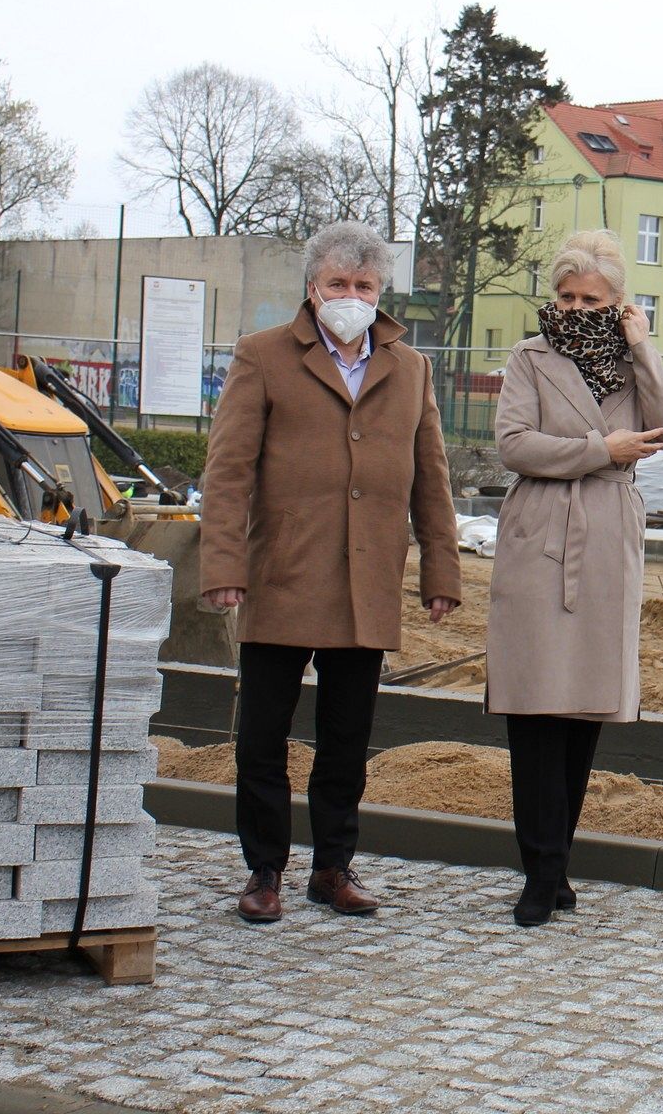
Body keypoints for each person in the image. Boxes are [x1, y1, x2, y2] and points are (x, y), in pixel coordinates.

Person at [199, 221, 463, 924]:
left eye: (365, 286)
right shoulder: (263, 357)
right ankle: (264, 871)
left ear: (382, 293)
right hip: (283, 574)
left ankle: (332, 867)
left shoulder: (411, 369)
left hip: (365, 584)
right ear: (313, 289)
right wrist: (223, 565)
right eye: (339, 284)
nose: (352, 296)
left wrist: (442, 569)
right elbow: (226, 473)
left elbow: (431, 479)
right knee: (262, 737)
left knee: (346, 740)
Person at [485, 229, 663, 927]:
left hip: (606, 537)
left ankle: (559, 861)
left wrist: (644, 349)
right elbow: (514, 443)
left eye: (590, 298)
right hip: (539, 532)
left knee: (582, 711)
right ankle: (539, 871)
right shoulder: (528, 357)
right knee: (536, 707)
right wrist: (598, 449)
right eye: (565, 296)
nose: (574, 308)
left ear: (618, 304)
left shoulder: (633, 365)